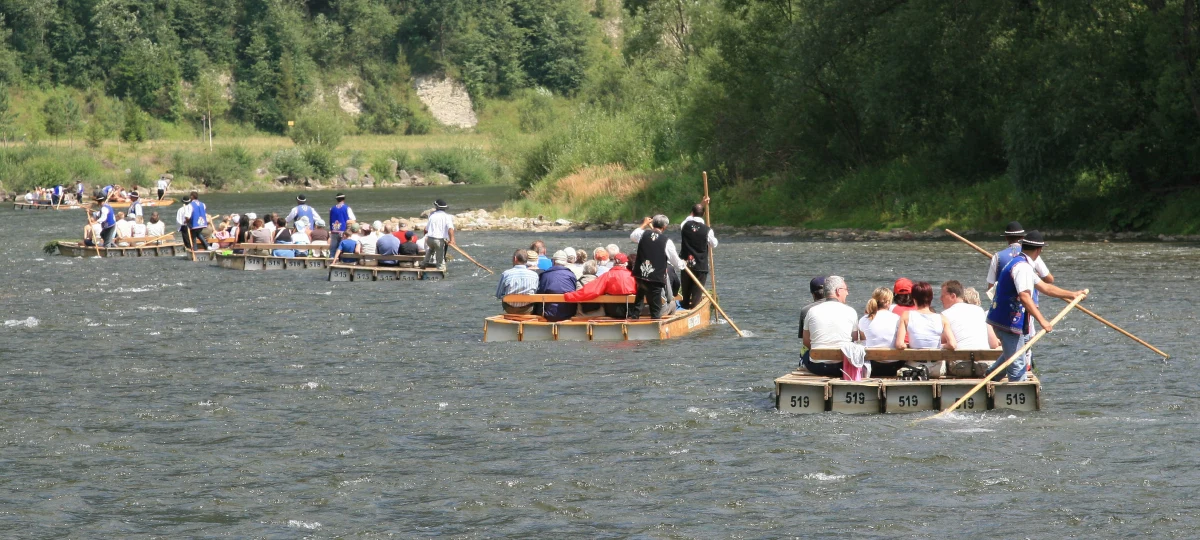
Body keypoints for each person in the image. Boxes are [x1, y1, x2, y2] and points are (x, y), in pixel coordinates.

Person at [986, 231, 1085, 381]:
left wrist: (1072, 294)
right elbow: (1025, 297)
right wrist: (1042, 321)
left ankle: (991, 375)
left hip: (1004, 319)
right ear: (1039, 250)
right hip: (1007, 321)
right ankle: (1018, 388)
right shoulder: (1022, 268)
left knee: (1020, 347)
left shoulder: (1022, 263)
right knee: (1018, 364)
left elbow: (1046, 287)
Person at [801, 276, 860, 377]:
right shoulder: (851, 312)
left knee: (805, 354)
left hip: (817, 366)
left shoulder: (812, 311)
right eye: (846, 289)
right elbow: (855, 340)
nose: (847, 293)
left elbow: (806, 342)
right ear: (838, 291)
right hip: (841, 366)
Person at [629, 215, 684, 319]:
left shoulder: (643, 234)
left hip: (641, 274)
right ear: (664, 227)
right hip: (655, 277)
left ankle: (635, 316)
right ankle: (655, 324)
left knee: (640, 296)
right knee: (655, 305)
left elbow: (633, 235)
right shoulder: (667, 241)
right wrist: (683, 264)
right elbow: (676, 262)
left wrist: (644, 224)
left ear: (653, 224)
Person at [987, 221, 1054, 292]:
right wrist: (1034, 277)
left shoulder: (997, 256)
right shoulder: (1031, 253)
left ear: (1006, 238)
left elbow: (990, 288)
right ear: (1023, 237)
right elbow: (1049, 279)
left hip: (1003, 301)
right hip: (1029, 301)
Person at [565, 252, 636, 319]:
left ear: (614, 263)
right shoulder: (633, 276)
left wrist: (569, 296)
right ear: (626, 263)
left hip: (613, 312)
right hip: (631, 311)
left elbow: (591, 291)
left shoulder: (608, 275)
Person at [678, 199, 719, 309]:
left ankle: (685, 305)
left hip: (685, 264)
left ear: (692, 213)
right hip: (700, 264)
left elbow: (688, 218)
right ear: (704, 214)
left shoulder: (684, 225)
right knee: (697, 292)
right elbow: (714, 244)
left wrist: (701, 203)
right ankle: (694, 308)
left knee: (686, 292)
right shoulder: (707, 230)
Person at [940, 280, 1000, 350]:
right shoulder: (979, 310)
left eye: (943, 296)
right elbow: (994, 343)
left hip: (960, 359)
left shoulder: (945, 315)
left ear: (953, 296)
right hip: (983, 359)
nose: (940, 299)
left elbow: (941, 340)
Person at [896, 280, 956, 349]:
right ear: (931, 298)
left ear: (914, 299)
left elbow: (899, 344)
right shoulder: (942, 319)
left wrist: (909, 346)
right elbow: (952, 345)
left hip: (914, 359)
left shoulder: (906, 316)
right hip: (935, 359)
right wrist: (940, 347)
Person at [858, 287, 902, 376]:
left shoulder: (864, 320)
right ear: (888, 302)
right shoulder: (897, 318)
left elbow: (863, 341)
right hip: (894, 365)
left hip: (873, 365)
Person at [536, 251, 579, 322]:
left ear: (553, 261)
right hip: (568, 313)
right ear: (565, 262)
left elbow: (540, 293)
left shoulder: (545, 275)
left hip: (548, 314)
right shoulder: (571, 275)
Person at [496, 250, 541, 314]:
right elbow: (535, 292)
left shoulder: (506, 274)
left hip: (509, 309)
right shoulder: (534, 275)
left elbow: (498, 295)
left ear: (515, 259)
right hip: (527, 309)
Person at [796, 276, 828, 366]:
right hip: (838, 359)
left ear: (813, 294)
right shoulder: (842, 308)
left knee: (804, 350)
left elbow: (805, 341)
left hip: (815, 359)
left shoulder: (806, 310)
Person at [423, 199, 455, 270]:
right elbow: (450, 229)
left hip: (429, 239)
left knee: (431, 250)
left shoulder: (431, 215)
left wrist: (425, 237)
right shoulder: (447, 217)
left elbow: (426, 229)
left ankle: (424, 263)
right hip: (439, 240)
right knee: (440, 255)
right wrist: (452, 240)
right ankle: (440, 267)